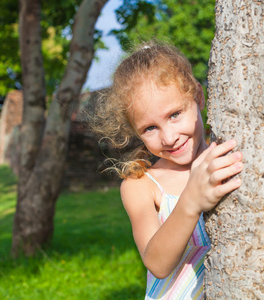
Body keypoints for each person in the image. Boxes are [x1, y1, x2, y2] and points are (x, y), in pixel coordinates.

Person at [92, 41, 243, 299]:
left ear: (198, 97)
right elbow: (157, 263)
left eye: (175, 114)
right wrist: (190, 201)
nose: (169, 137)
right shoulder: (141, 185)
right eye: (150, 128)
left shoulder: (225, 157)